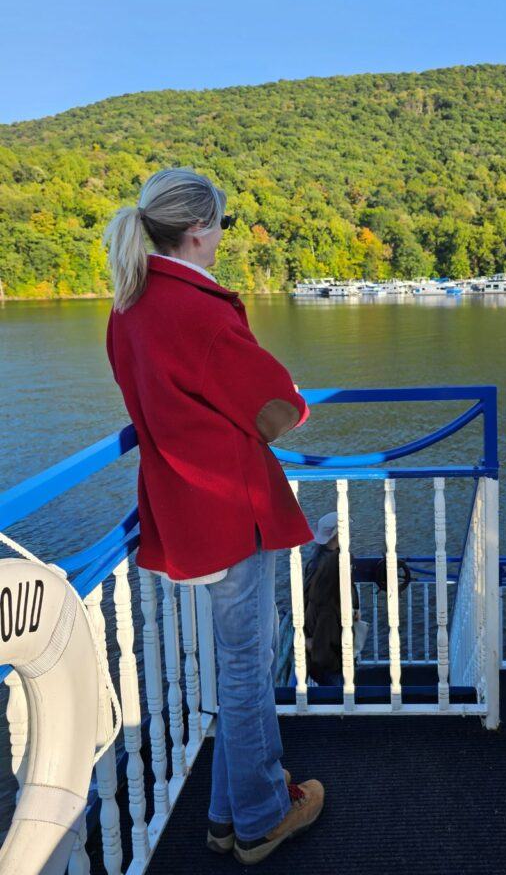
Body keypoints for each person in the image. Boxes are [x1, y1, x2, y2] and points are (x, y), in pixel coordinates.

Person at [103, 168, 325, 866]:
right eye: (221, 225)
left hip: (183, 506)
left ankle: (227, 816)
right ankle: (263, 818)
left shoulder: (129, 308)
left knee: (238, 662)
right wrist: (291, 396)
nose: (223, 236)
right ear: (198, 230)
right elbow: (276, 409)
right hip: (232, 510)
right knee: (246, 667)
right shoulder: (197, 310)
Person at [303, 512, 360, 686]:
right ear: (338, 534)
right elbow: (327, 613)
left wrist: (353, 608)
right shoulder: (332, 568)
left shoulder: (315, 562)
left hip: (321, 648)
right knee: (341, 698)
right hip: (331, 657)